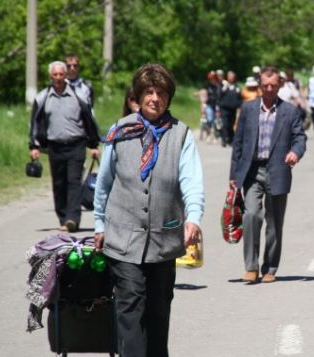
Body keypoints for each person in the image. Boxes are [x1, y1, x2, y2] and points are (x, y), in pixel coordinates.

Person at [93, 63, 205, 357]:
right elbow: (103, 183)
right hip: (122, 238)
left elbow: (191, 180)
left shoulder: (181, 134)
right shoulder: (119, 131)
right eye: (149, 92)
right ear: (138, 96)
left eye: (161, 93)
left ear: (169, 98)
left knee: (158, 313)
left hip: (163, 240)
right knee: (130, 309)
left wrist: (193, 218)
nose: (155, 98)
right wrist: (99, 225)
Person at [229, 66, 307, 284]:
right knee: (251, 215)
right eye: (266, 85)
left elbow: (300, 138)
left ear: (280, 85)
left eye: (274, 85)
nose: (270, 89)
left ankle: (270, 267)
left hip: (278, 170)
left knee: (274, 222)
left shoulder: (290, 111)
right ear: (259, 85)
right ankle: (251, 267)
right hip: (252, 171)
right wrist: (234, 175)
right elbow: (238, 144)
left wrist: (295, 152)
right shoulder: (248, 109)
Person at [28, 61, 100, 232]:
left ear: (66, 75)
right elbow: (35, 123)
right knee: (59, 183)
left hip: (77, 144)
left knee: (74, 181)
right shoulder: (43, 97)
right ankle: (62, 217)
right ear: (50, 76)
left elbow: (89, 120)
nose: (59, 78)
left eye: (61, 74)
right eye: (55, 75)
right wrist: (34, 145)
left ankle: (72, 219)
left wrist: (93, 144)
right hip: (55, 146)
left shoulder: (79, 95)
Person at [218, 70, 243, 146]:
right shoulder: (223, 86)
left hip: (233, 109)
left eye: (232, 77)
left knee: (231, 124)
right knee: (225, 124)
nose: (231, 78)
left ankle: (230, 139)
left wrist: (239, 106)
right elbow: (219, 96)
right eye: (230, 77)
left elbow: (240, 98)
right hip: (224, 109)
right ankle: (224, 139)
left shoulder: (236, 87)